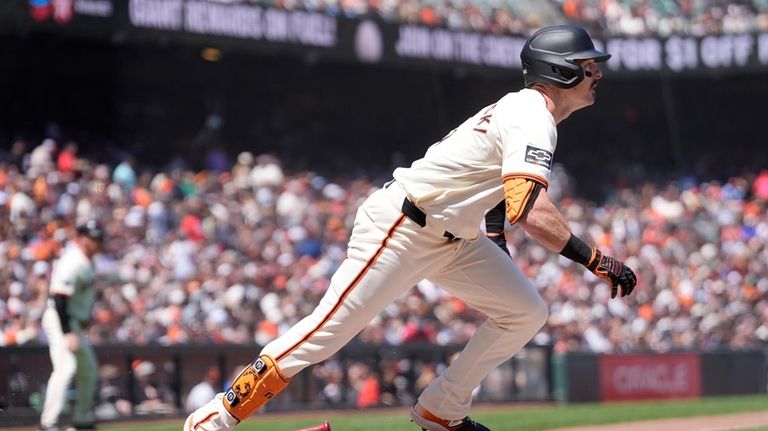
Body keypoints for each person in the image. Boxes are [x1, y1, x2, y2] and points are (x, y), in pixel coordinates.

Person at [184, 25, 637, 431]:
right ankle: (211, 421)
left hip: (453, 239)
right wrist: (596, 260)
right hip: (403, 226)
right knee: (327, 332)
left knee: (525, 310)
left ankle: (442, 409)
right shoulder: (532, 113)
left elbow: (501, 186)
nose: (597, 74)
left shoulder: (527, 112)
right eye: (588, 66)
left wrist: (494, 239)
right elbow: (529, 210)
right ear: (560, 71)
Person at [39, 220, 104, 431]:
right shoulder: (73, 260)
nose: (97, 242)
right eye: (93, 238)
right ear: (82, 238)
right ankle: (49, 422)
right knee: (66, 368)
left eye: (98, 238)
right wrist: (67, 332)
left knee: (88, 370)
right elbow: (59, 297)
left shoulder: (88, 261)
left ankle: (81, 420)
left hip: (73, 322)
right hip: (61, 319)